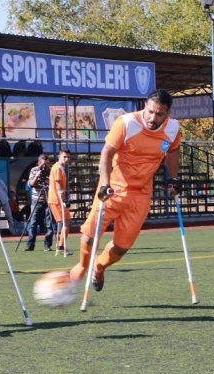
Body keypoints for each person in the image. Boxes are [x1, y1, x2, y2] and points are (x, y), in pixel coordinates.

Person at [69, 89, 182, 291]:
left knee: (121, 248)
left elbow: (173, 151)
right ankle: (82, 265)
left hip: (140, 195)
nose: (152, 117)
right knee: (89, 235)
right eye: (150, 111)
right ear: (145, 107)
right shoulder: (127, 123)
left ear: (168, 114)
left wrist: (173, 179)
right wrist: (104, 183)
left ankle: (99, 266)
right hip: (112, 189)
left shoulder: (173, 128)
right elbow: (106, 153)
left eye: (159, 114)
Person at [24, 154, 54, 252]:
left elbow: (53, 186)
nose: (46, 166)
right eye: (43, 164)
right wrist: (37, 176)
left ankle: (47, 244)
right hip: (36, 199)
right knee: (33, 223)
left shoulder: (52, 171)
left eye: (47, 164)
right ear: (39, 163)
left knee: (49, 224)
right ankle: (30, 244)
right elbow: (31, 185)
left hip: (48, 200)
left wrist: (48, 179)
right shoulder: (34, 170)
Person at [48, 147, 72, 255]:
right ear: (59, 157)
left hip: (59, 199)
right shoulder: (57, 168)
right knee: (64, 222)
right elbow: (58, 184)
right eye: (64, 157)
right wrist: (62, 199)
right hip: (56, 199)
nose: (66, 159)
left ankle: (61, 245)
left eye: (68, 157)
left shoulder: (61, 168)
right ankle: (60, 246)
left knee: (66, 222)